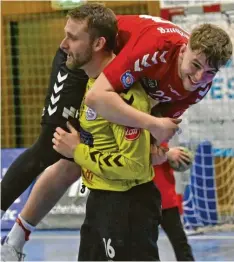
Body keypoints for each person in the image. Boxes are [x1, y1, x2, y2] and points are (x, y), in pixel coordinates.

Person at [1, 2, 232, 260]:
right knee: (50, 147)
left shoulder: (198, 88)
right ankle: (12, 241)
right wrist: (153, 126)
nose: (200, 77)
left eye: (210, 72)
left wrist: (158, 147)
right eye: (196, 65)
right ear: (184, 50)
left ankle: (13, 243)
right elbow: (98, 98)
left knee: (73, 162)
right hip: (88, 54)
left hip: (114, 83)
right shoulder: (154, 48)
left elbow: (159, 121)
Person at [154, 145, 195, 261]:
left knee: (180, 242)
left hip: (166, 198)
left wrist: (174, 156)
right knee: (143, 245)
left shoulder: (162, 132)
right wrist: (167, 153)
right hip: (143, 199)